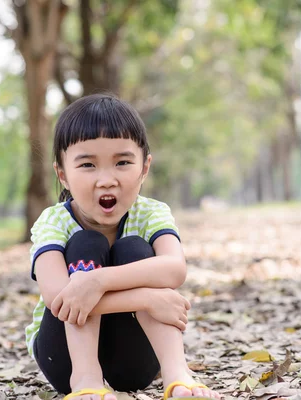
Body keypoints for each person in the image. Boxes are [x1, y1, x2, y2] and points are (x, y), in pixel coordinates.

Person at [24, 94, 222, 400]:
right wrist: (147, 298)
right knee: (86, 242)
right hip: (63, 359)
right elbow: (60, 299)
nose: (106, 180)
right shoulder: (53, 222)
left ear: (145, 167)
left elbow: (174, 269)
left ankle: (177, 375)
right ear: (62, 174)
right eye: (88, 164)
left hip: (133, 365)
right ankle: (87, 379)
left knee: (135, 249)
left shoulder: (151, 213)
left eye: (123, 162)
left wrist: (98, 281)